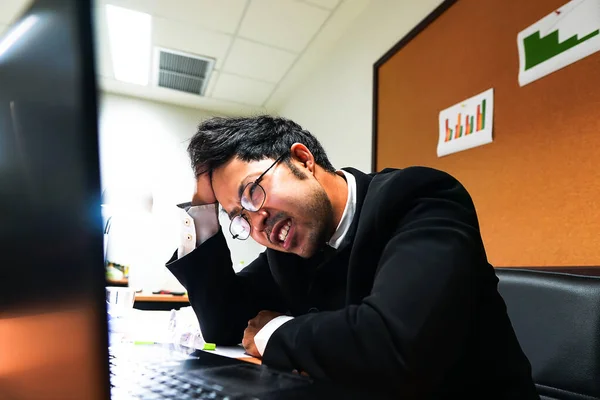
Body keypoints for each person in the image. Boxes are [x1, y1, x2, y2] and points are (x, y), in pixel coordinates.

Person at [166, 115, 539, 398]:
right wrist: (202, 213)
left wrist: (276, 331)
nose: (257, 222)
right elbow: (227, 326)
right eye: (240, 218)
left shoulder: (420, 197)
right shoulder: (289, 244)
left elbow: (396, 345)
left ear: (303, 160)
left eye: (252, 193)